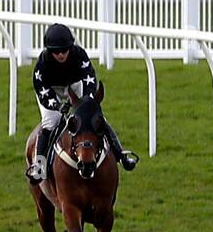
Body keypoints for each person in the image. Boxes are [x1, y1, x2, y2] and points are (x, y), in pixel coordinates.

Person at [27, 23, 138, 183]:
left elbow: (89, 78)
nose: (61, 55)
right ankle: (39, 166)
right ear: (49, 51)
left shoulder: (79, 55)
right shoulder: (42, 65)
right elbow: (42, 90)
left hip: (75, 85)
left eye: (64, 50)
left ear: (70, 47)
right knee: (50, 123)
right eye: (56, 51)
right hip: (51, 91)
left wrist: (86, 102)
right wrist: (58, 106)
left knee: (96, 118)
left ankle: (121, 156)